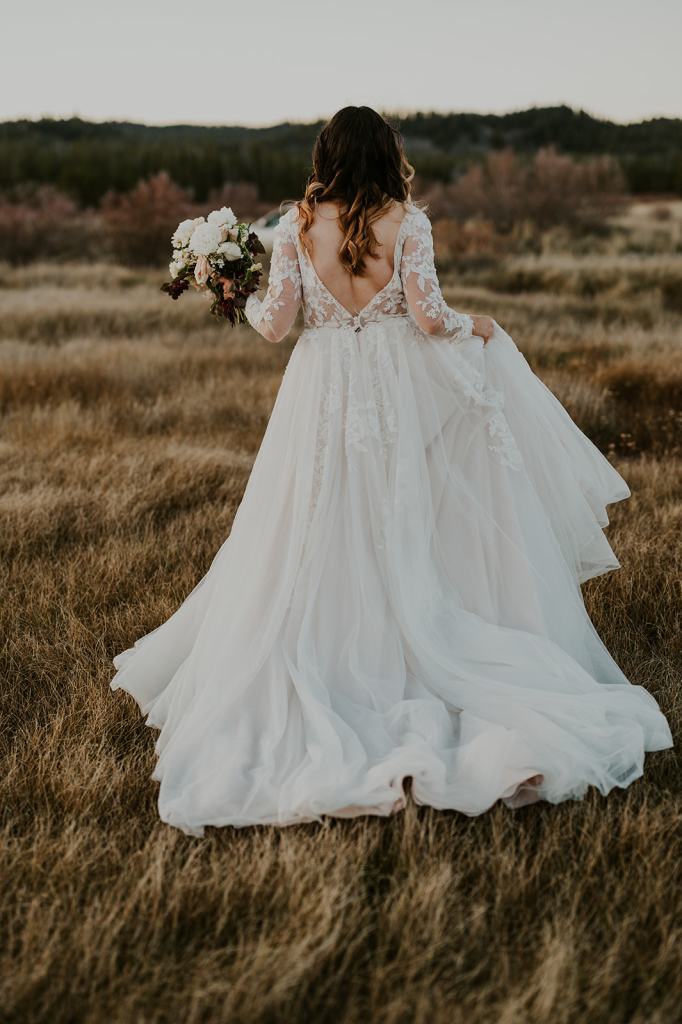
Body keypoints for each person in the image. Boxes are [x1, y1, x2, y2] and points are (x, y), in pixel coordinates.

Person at [111, 106, 672, 837]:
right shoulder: (407, 222)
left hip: (320, 393)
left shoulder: (296, 224)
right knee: (399, 514)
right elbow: (429, 316)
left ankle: (326, 648)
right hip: (390, 391)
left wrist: (238, 292)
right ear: (387, 154)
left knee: (313, 519)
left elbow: (277, 327)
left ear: (326, 155)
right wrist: (483, 327)